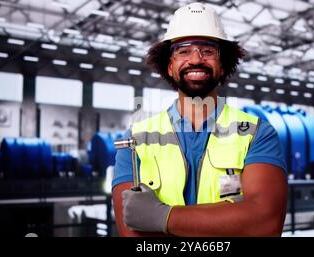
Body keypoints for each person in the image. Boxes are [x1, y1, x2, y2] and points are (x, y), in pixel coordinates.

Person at [112, 2, 287, 237]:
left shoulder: (256, 134)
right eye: (183, 51)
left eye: (208, 51)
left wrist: (162, 217)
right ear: (170, 67)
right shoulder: (135, 140)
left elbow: (264, 224)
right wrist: (230, 220)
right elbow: (132, 231)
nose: (196, 59)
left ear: (223, 66)